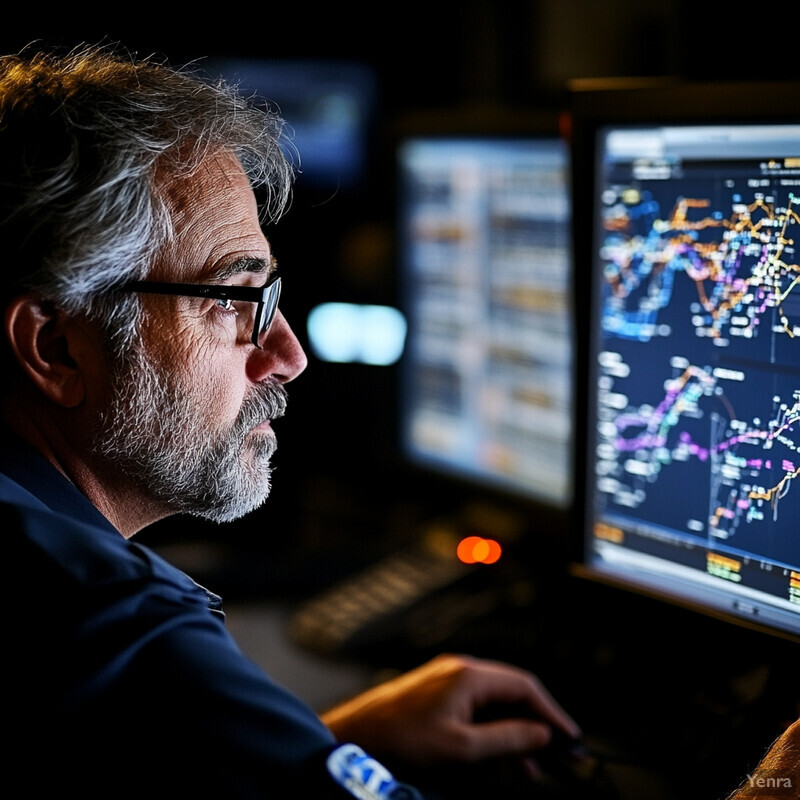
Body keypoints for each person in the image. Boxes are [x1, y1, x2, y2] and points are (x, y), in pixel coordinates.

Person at [0, 42, 581, 798]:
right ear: (55, 347)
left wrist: (315, 752)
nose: (287, 355)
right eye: (231, 302)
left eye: (271, 297)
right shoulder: (104, 622)